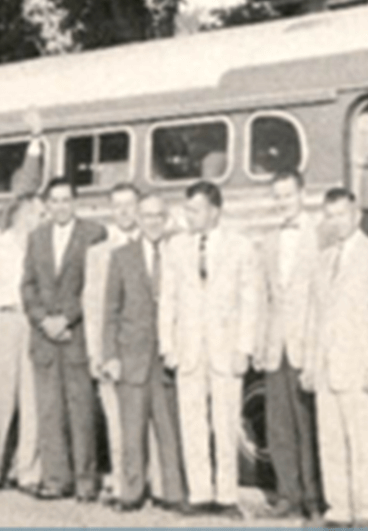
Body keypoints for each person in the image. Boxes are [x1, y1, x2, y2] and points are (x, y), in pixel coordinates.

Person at [158, 181, 258, 519]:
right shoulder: (175, 248)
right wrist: (167, 345)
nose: (188, 216)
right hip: (188, 350)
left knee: (226, 422)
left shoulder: (240, 246)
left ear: (214, 211)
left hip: (225, 350)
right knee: (192, 423)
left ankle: (226, 495)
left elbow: (250, 300)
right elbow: (167, 299)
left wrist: (244, 347)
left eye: (195, 210)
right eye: (187, 209)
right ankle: (199, 493)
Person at [301, 188, 368, 528]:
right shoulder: (323, 260)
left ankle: (366, 510)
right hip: (328, 369)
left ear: (356, 215)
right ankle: (339, 509)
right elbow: (315, 317)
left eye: (341, 214)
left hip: (360, 369)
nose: (336, 222)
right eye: (330, 216)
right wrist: (311, 365)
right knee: (331, 442)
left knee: (363, 442)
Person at [21, 177, 107, 501]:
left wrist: (66, 318)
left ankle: (86, 483)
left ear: (75, 201)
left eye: (66, 199)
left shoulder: (93, 233)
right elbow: (27, 285)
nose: (60, 206)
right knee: (49, 411)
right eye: (54, 200)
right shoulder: (36, 237)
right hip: (45, 339)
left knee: (81, 411)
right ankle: (56, 479)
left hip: (76, 336)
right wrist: (44, 320)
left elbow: (93, 285)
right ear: (47, 204)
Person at [102, 193, 186, 513]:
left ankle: (174, 493)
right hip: (131, 357)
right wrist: (111, 355)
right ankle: (132, 493)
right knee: (131, 430)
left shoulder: (178, 253)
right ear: (138, 219)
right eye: (147, 216)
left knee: (169, 429)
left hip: (166, 357)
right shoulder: (122, 256)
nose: (152, 222)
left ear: (166, 220)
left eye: (158, 216)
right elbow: (110, 309)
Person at [255, 170, 323, 519]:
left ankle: (314, 499)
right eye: (277, 197)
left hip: (306, 345)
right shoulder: (268, 241)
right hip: (275, 346)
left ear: (303, 194)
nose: (283, 202)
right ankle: (287, 495)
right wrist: (259, 343)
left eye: (288, 196)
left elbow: (321, 299)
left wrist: (315, 351)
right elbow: (264, 296)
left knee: (307, 426)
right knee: (278, 426)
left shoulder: (319, 237)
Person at [0, 194, 44, 494]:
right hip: (3, 321)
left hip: (34, 324)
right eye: (40, 214)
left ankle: (26, 472)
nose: (45, 219)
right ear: (24, 216)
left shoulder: (43, 249)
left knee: (33, 400)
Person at [81, 182, 140, 504]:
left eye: (129, 205)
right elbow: (92, 305)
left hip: (144, 350)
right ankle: (121, 484)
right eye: (117, 206)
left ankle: (148, 483)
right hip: (111, 349)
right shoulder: (97, 254)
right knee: (116, 423)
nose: (124, 212)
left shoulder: (154, 245)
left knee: (146, 423)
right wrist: (95, 352)